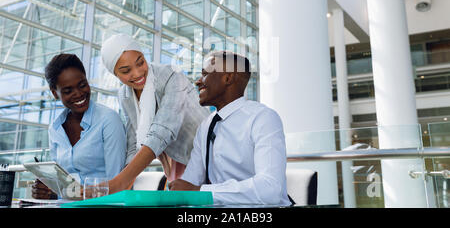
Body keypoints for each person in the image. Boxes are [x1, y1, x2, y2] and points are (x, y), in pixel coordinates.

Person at [169, 51, 291, 206]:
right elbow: (190, 183)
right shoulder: (206, 126)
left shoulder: (262, 118)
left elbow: (270, 189)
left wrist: (200, 191)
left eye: (205, 74)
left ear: (227, 78)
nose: (198, 81)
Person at [100, 34, 209, 193]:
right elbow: (133, 142)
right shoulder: (124, 95)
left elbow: (163, 131)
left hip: (204, 155)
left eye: (140, 62)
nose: (137, 74)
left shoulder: (171, 76)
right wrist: (123, 187)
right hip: (174, 161)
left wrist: (120, 182)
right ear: (114, 74)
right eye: (126, 71)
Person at [32, 54, 127, 199]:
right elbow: (61, 185)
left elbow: (119, 184)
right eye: (68, 91)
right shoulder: (55, 129)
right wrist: (50, 192)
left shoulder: (108, 120)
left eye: (82, 85)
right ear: (55, 93)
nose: (78, 94)